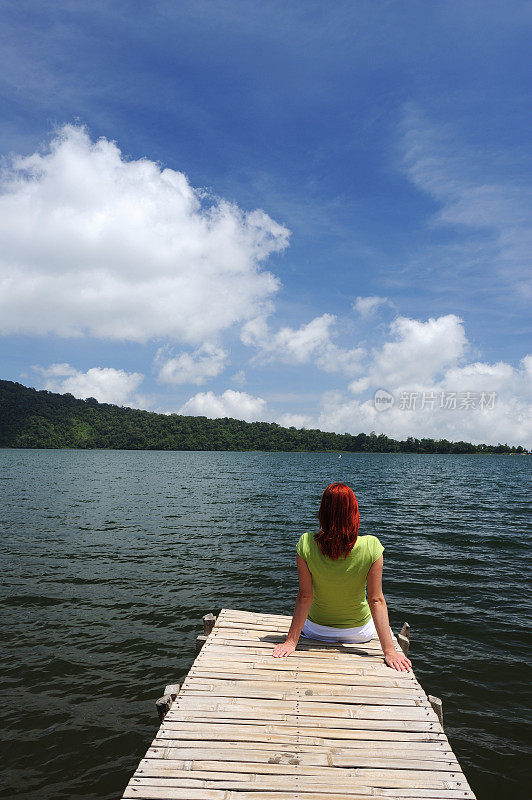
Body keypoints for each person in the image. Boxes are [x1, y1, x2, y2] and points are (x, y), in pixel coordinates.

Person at [272, 482, 412, 672]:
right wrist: (389, 651)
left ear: (323, 512)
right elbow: (376, 600)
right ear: (354, 513)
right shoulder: (372, 546)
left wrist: (290, 642)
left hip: (315, 631)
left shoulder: (306, 543)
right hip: (359, 633)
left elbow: (305, 596)